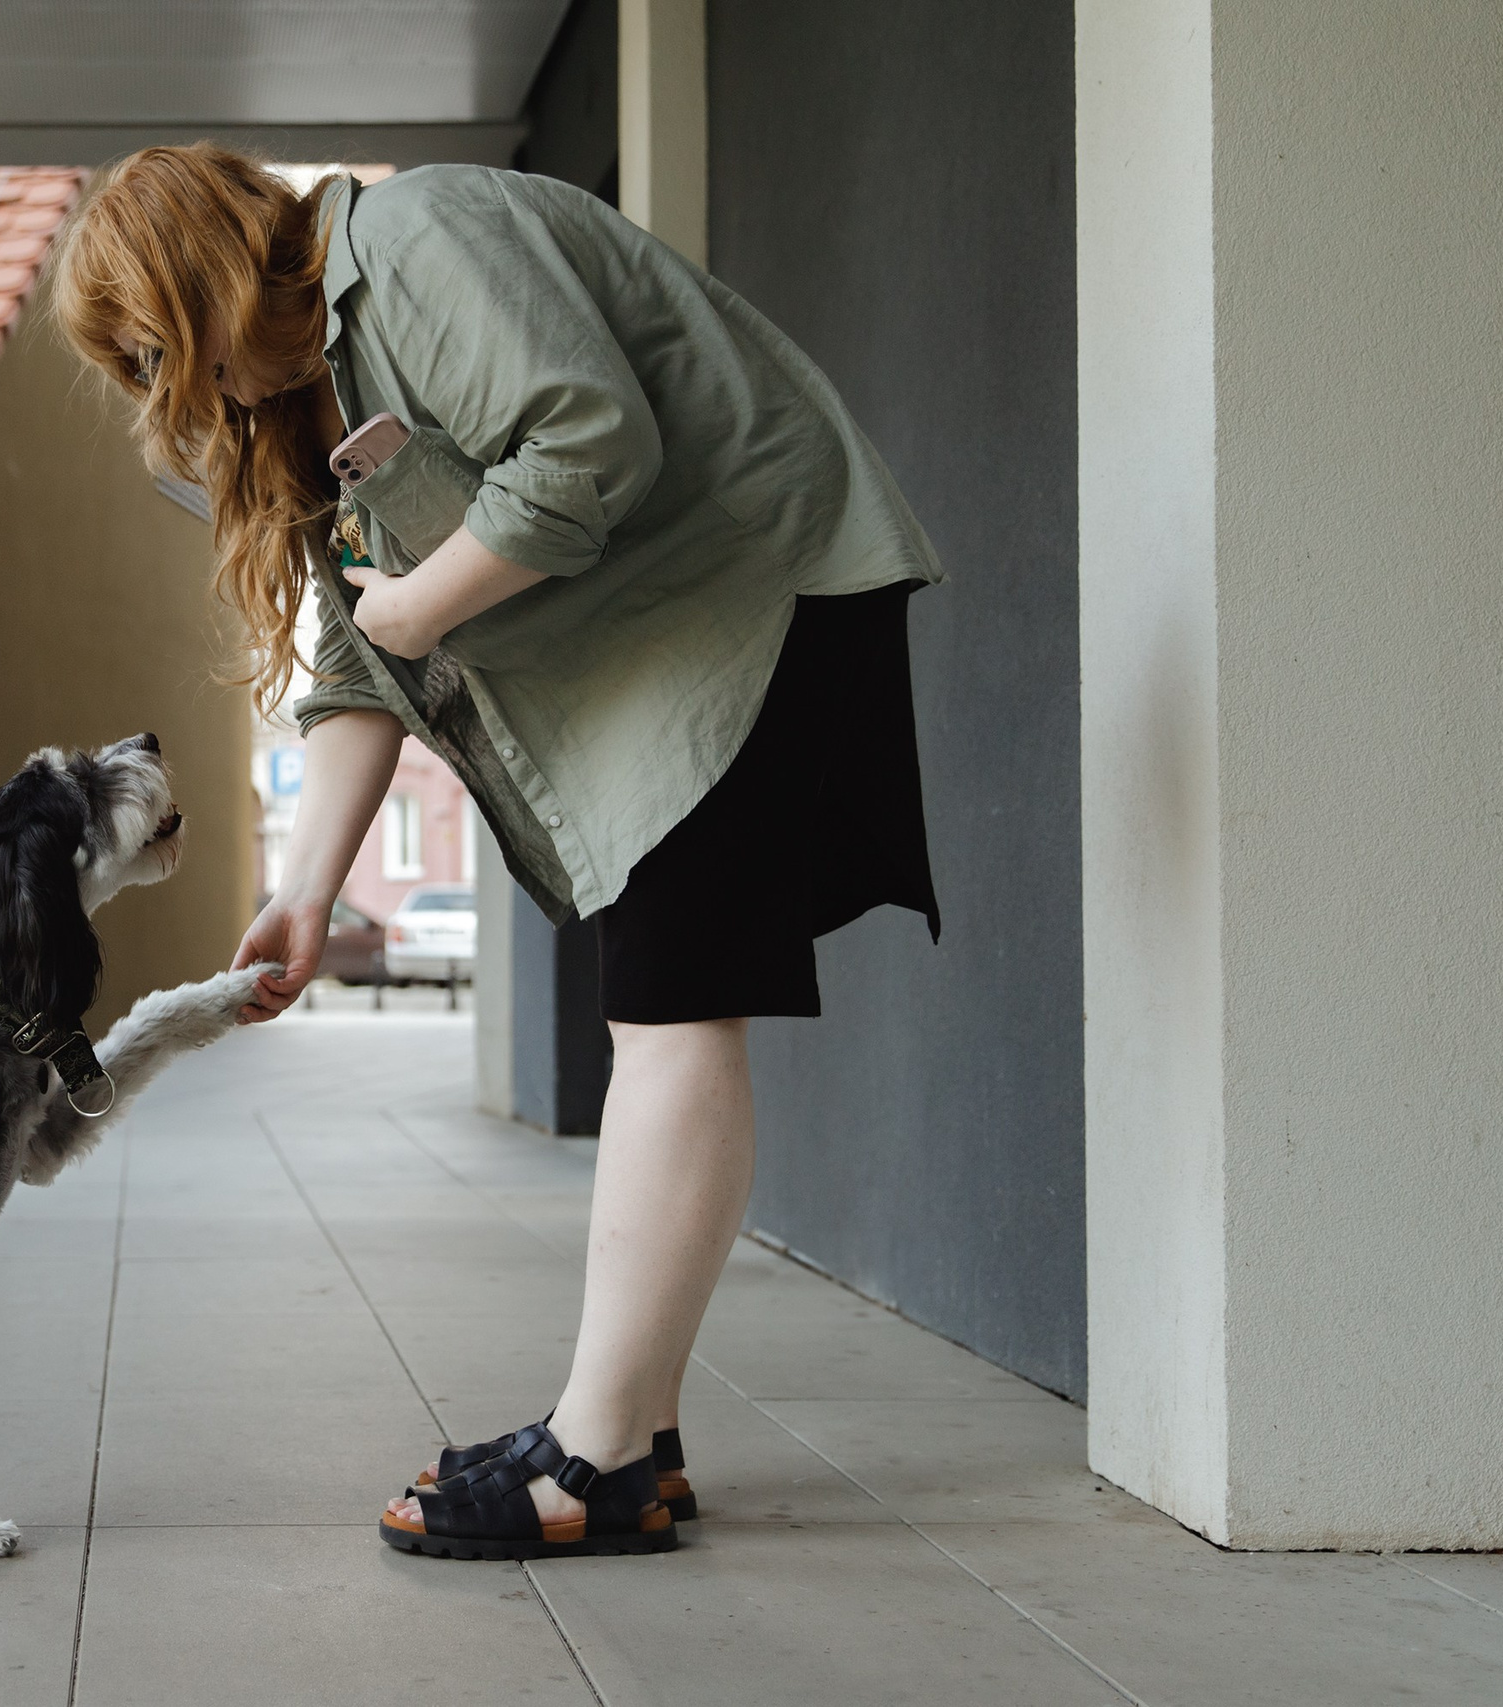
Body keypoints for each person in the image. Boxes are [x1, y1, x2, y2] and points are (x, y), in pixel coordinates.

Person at [51, 145, 941, 1561]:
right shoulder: (307, 389)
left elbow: (591, 442)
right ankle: (632, 1440)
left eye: (170, 348)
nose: (189, 394)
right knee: (662, 1006)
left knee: (667, 1014)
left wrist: (424, 603)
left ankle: (591, 1459)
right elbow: (356, 655)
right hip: (669, 629)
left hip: (750, 585)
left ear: (210, 267)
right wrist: (301, 892)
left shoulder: (415, 239)